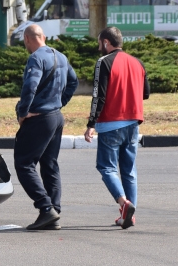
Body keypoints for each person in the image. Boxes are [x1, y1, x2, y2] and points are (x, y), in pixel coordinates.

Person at [83, 27, 150, 229]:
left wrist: (91, 124)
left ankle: (124, 204)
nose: (98, 47)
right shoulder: (138, 63)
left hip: (111, 123)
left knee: (106, 167)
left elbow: (98, 96)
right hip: (133, 123)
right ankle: (129, 215)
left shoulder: (103, 63)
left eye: (99, 43)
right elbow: (145, 93)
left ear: (105, 42)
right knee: (129, 170)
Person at [14, 24, 78, 230]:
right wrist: (60, 102)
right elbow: (73, 82)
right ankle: (54, 211)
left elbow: (30, 87)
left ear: (27, 39)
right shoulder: (61, 56)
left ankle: (45, 208)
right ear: (44, 36)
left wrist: (22, 113)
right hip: (56, 117)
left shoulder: (36, 58)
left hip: (39, 118)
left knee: (24, 164)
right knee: (50, 164)